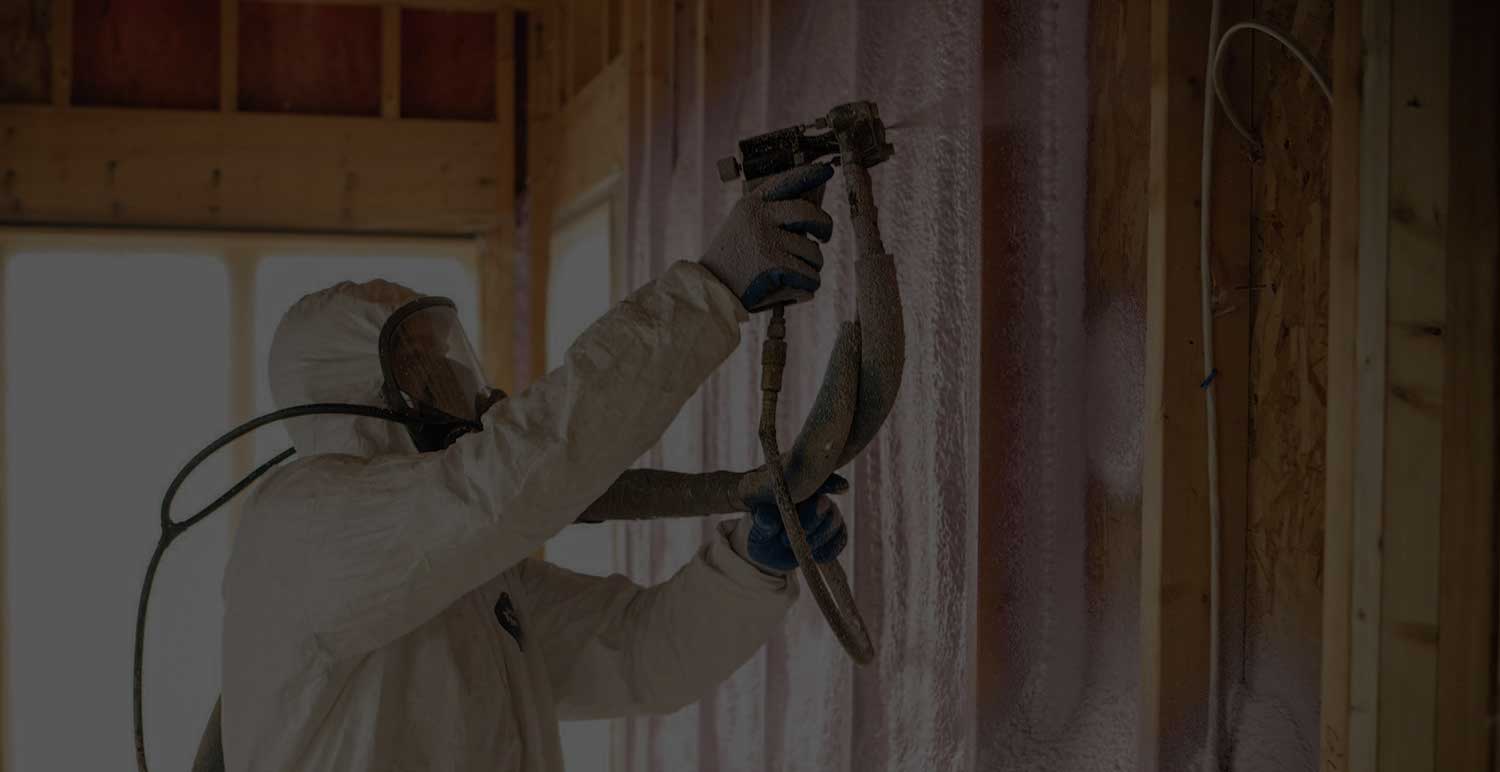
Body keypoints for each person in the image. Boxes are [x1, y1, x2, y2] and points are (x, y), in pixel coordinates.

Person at [221, 163, 849, 771]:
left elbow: (637, 654)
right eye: (422, 365)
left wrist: (750, 566)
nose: (453, 382)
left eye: (447, 357)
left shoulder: (470, 578)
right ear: (360, 390)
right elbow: (511, 476)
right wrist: (708, 290)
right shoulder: (305, 524)